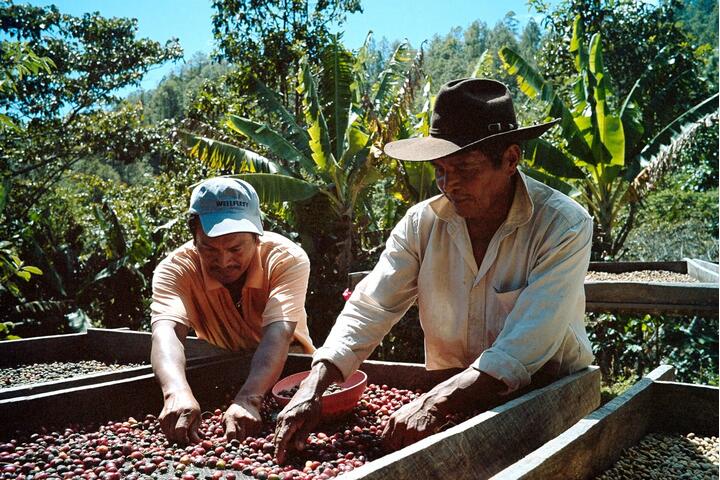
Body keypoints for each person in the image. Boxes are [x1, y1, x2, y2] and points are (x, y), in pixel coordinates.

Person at [273, 78, 595, 462]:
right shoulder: (420, 224)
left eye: (464, 169)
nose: (448, 184)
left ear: (511, 159)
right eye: (440, 170)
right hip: (455, 394)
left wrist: (434, 401)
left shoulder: (562, 224)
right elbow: (372, 307)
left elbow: (525, 345)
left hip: (549, 394)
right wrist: (314, 384)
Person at [150, 177, 314, 445]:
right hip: (225, 373)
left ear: (257, 238)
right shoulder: (175, 270)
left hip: (290, 374)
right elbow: (166, 331)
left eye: (236, 248)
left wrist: (249, 399)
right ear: (194, 240)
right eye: (209, 249)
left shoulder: (286, 259)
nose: (224, 261)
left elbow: (279, 332)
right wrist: (175, 393)